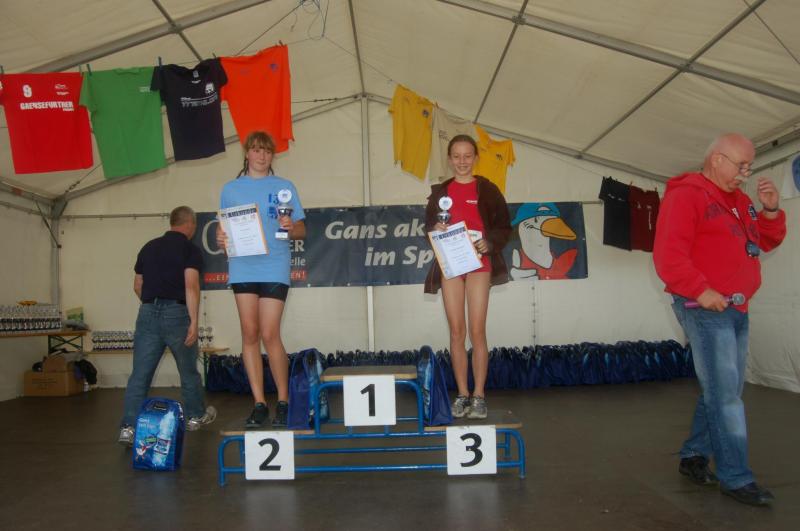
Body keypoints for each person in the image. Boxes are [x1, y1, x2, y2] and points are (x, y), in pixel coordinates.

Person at [653, 133, 786, 506]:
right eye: (741, 165)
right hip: (706, 308)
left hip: (736, 308)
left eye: (749, 166)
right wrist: (700, 290)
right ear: (717, 160)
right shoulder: (687, 195)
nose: (746, 173)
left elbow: (763, 242)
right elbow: (668, 255)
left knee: (723, 389)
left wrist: (771, 211)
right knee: (725, 395)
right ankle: (736, 477)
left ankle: (694, 455)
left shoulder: (740, 202)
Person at [217, 131, 306, 428]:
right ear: (247, 153)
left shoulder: (284, 187)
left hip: (274, 265)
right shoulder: (230, 189)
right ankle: (258, 403)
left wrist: (290, 227)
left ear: (272, 155)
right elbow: (223, 230)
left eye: (267, 151)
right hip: (242, 267)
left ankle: (283, 401)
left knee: (270, 333)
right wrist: (220, 239)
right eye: (256, 150)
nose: (261, 155)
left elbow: (301, 230)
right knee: (249, 333)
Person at [424, 134, 511, 419]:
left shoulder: (488, 189)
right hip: (451, 266)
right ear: (450, 159)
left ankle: (479, 396)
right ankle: (462, 394)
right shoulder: (440, 192)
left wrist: (490, 242)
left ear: (475, 158)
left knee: (477, 331)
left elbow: (504, 226)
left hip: (479, 265)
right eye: (457, 156)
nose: (462, 161)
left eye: (467, 156)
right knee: (456, 332)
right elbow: (428, 227)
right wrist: (434, 228)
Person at [118, 206, 216, 446]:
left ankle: (128, 428)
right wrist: (194, 321)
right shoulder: (189, 250)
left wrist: (153, 306)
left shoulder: (148, 247)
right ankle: (195, 417)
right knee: (188, 371)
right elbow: (191, 286)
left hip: (147, 312)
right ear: (190, 224)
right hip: (177, 314)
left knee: (140, 375)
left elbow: (137, 285)